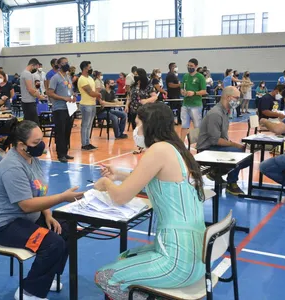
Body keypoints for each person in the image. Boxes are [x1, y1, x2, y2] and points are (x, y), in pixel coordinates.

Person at [93, 102, 206, 300]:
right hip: (194, 256)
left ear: (148, 125)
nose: (136, 130)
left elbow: (120, 197)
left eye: (137, 124)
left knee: (105, 276)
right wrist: (118, 174)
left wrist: (106, 184)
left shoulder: (158, 150)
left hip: (177, 260)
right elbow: (153, 178)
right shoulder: (175, 149)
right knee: (125, 257)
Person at [0, 120, 84, 300]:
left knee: (66, 229)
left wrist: (47, 213)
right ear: (21, 145)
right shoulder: (12, 167)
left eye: (41, 140)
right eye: (35, 142)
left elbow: (39, 192)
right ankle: (29, 292)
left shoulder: (32, 159)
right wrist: (62, 197)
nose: (41, 145)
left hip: (27, 219)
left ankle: (48, 277)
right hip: (6, 226)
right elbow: (26, 205)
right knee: (52, 243)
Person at [197, 86, 250, 195]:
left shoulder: (225, 111)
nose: (238, 101)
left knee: (247, 158)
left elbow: (222, 137)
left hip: (216, 146)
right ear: (228, 97)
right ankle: (231, 183)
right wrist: (235, 145)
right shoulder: (216, 114)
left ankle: (216, 172)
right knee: (237, 154)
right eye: (237, 98)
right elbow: (215, 140)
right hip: (206, 149)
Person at [47, 57, 76, 163]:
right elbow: (50, 93)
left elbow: (69, 90)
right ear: (59, 65)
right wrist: (63, 98)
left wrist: (73, 95)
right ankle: (60, 154)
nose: (66, 65)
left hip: (69, 107)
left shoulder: (68, 77)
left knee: (67, 131)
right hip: (59, 108)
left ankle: (65, 152)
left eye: (67, 63)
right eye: (63, 63)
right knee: (60, 131)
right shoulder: (55, 78)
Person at [180, 58, 207, 142]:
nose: (189, 67)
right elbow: (181, 88)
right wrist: (183, 92)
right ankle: (181, 143)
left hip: (196, 105)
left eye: (191, 66)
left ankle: (199, 143)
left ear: (196, 66)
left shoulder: (200, 77)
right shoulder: (185, 76)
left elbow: (204, 91)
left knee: (197, 126)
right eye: (188, 65)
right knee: (184, 125)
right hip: (185, 104)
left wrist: (194, 93)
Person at [78, 61, 102, 151]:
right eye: (89, 67)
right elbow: (90, 92)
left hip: (92, 104)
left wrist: (98, 96)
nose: (90, 68)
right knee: (85, 125)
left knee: (89, 125)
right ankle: (84, 144)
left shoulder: (90, 78)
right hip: (86, 104)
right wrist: (99, 95)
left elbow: (94, 90)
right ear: (85, 68)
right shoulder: (82, 79)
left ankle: (87, 142)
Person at [20, 58, 46, 125]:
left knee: (28, 125)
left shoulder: (24, 73)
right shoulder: (27, 74)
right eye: (36, 68)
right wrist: (40, 97)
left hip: (26, 102)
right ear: (32, 65)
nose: (36, 70)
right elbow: (30, 90)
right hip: (29, 103)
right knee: (34, 125)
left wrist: (39, 94)